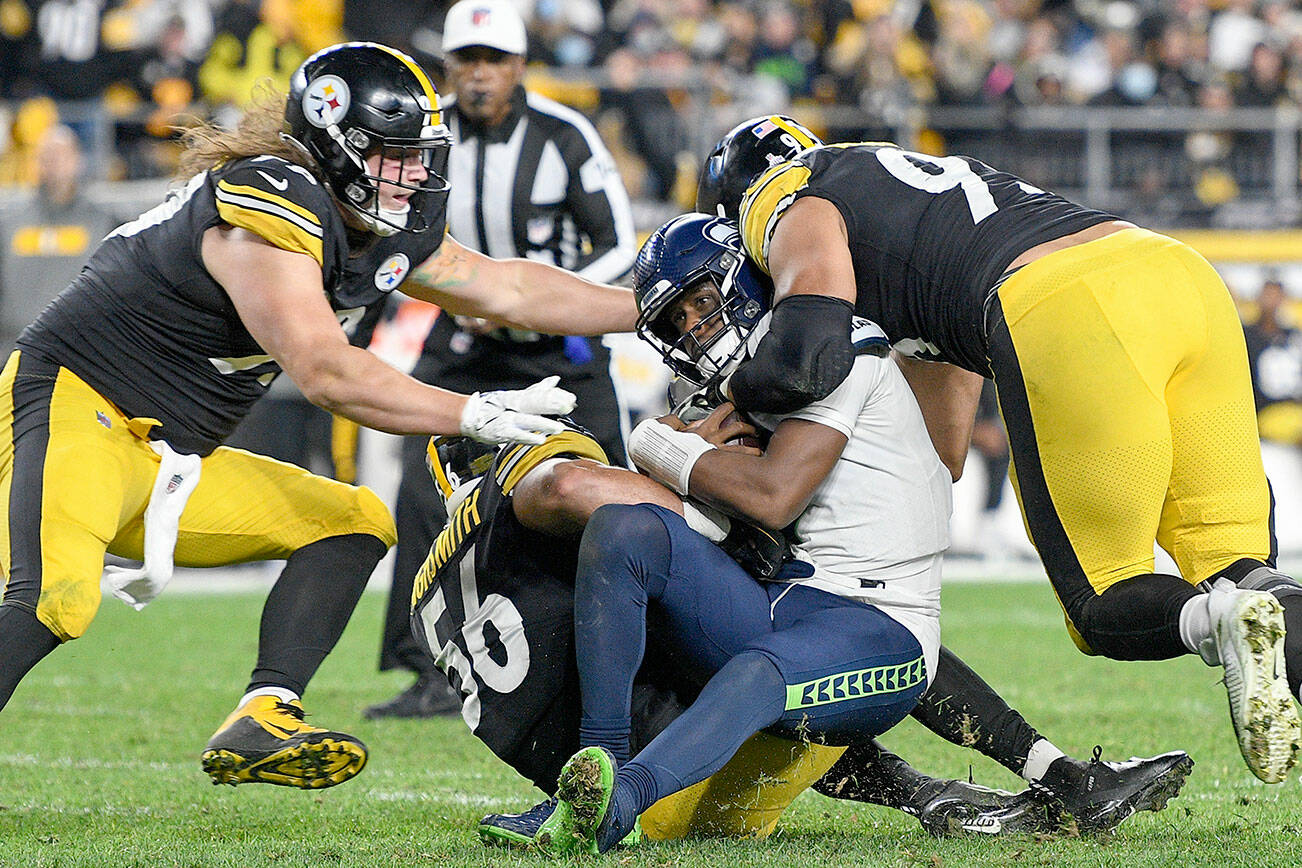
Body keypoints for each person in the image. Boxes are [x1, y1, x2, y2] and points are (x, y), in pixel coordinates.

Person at [0, 41, 639, 791]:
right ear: (337, 150)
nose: (414, 176)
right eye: (394, 157)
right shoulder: (267, 203)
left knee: (352, 523)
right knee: (54, 598)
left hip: (161, 460)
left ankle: (265, 713)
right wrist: (473, 412)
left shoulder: (366, 224)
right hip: (75, 407)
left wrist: (648, 309)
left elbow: (507, 291)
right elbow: (327, 371)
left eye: (418, 156)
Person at [500, 213, 1190, 854]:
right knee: (624, 532)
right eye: (676, 322)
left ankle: (619, 805)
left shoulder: (831, 347)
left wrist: (666, 448)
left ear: (741, 280)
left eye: (702, 305)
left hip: (879, 622)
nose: (695, 331)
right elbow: (705, 510)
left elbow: (770, 497)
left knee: (757, 672)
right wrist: (683, 452)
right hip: (787, 603)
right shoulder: (724, 395)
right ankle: (590, 778)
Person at [693, 115, 1302, 783]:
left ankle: (1217, 621)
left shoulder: (785, 200)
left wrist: (732, 393)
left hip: (1068, 299)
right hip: (1179, 275)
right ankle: (1245, 604)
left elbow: (805, 351)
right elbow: (941, 454)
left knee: (1103, 602)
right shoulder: (899, 197)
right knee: (1244, 566)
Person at [364, 0, 637, 720]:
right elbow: (387, 224)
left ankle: (638, 648)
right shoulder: (427, 137)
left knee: (613, 488)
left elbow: (617, 243)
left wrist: (544, 302)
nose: (480, 75)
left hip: (560, 344)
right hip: (464, 338)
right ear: (448, 66)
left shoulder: (564, 135)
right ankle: (427, 669)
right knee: (422, 490)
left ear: (518, 67)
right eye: (467, 61)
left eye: (494, 61)